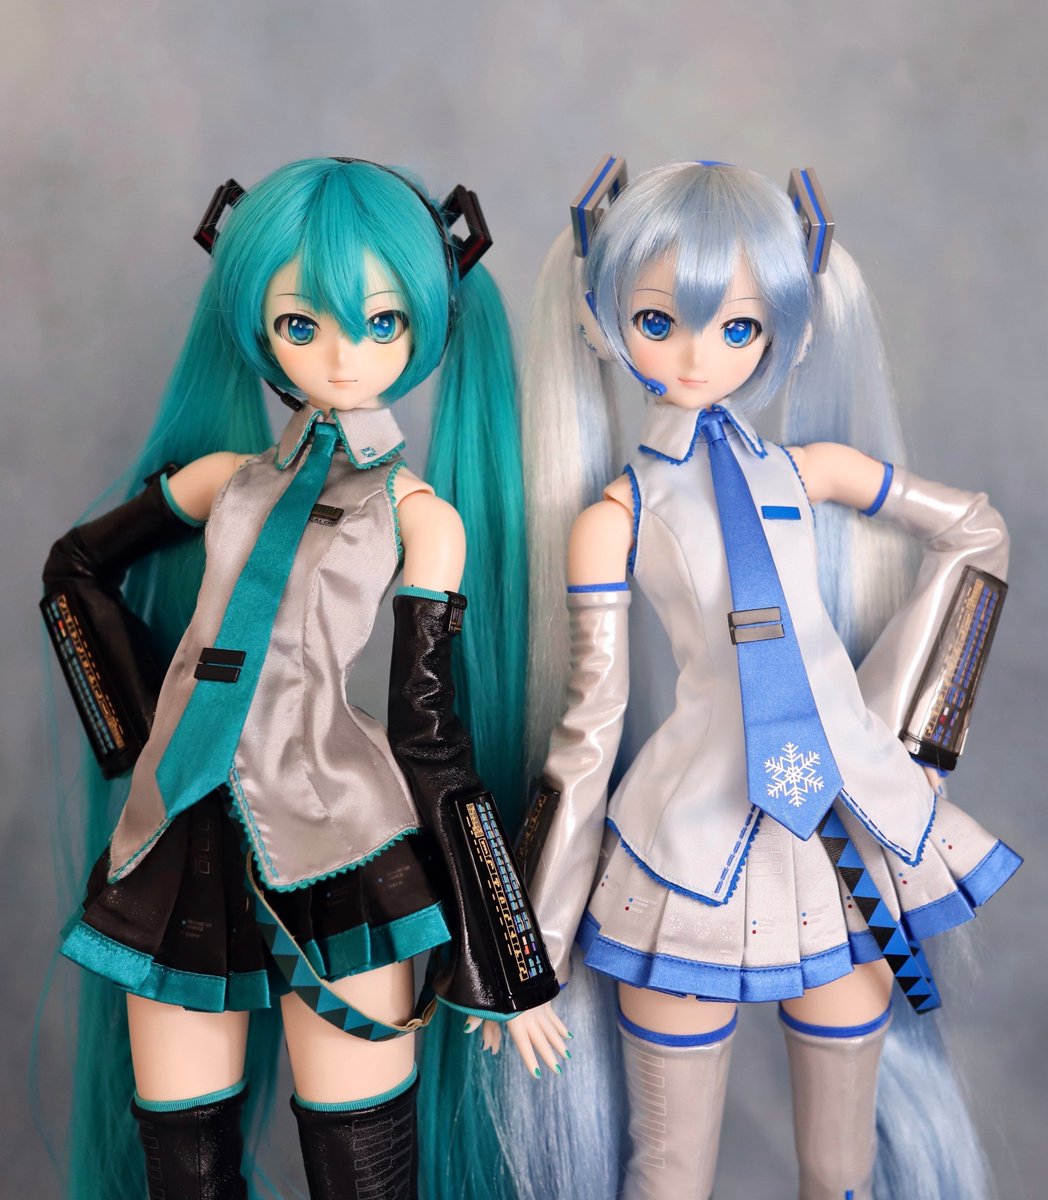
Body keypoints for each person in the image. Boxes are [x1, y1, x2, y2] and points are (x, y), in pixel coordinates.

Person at [485, 159, 1020, 1200]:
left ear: (790, 329)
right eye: (658, 321)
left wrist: (913, 732)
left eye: (737, 328)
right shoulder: (614, 518)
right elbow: (588, 733)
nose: (697, 355)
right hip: (693, 851)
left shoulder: (811, 471)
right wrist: (530, 949)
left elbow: (974, 531)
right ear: (601, 321)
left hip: (840, 834)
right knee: (668, 1172)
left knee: (841, 1167)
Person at [41, 156, 558, 1200]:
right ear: (257, 324)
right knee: (182, 1163)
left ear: (425, 323)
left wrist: (505, 949)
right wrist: (140, 736)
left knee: (362, 1165)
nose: (340, 355)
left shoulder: (418, 516)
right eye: (300, 324)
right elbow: (74, 570)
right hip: (174, 840)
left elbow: (431, 737)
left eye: (380, 323)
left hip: (338, 847)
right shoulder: (223, 482)